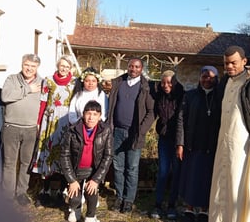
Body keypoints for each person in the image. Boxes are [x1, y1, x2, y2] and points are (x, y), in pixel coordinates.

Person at [209, 45, 250, 222]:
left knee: (237, 187)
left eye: (233, 63)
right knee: (221, 185)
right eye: (226, 63)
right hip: (223, 145)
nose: (229, 67)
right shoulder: (225, 82)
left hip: (244, 148)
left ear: (244, 61)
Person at [108, 57, 155, 213]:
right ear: (127, 67)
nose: (133, 69)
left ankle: (129, 200)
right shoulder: (119, 83)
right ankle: (119, 197)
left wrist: (141, 131)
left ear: (141, 69)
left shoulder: (145, 87)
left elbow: (151, 112)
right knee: (118, 167)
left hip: (134, 134)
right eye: (130, 66)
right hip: (117, 132)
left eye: (137, 67)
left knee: (132, 168)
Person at [31, 55, 77, 207]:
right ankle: (44, 191)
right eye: (62, 65)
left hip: (65, 122)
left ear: (70, 68)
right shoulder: (48, 80)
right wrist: (38, 123)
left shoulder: (74, 82)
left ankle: (59, 192)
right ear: (58, 66)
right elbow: (43, 103)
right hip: (49, 121)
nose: (64, 68)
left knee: (63, 155)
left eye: (67, 66)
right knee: (47, 154)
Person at [177, 66, 221, 222]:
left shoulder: (220, 97)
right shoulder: (190, 96)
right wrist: (180, 144)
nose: (207, 79)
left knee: (207, 178)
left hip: (212, 145)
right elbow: (181, 120)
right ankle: (189, 208)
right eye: (204, 76)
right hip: (192, 144)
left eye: (210, 77)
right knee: (191, 177)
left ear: (216, 78)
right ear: (199, 78)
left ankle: (204, 210)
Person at [61, 100, 113, 222]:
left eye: (95, 114)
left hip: (94, 169)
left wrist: (96, 179)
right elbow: (65, 155)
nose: (91, 117)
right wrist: (72, 180)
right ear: (83, 114)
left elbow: (108, 156)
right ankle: (75, 209)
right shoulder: (72, 130)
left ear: (100, 117)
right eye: (88, 113)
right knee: (75, 198)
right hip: (76, 169)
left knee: (91, 193)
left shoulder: (105, 131)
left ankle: (91, 216)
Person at [1, 53, 43, 206]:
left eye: (33, 66)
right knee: (9, 163)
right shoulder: (12, 79)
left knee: (26, 162)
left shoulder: (43, 82)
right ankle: (7, 194)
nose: (29, 68)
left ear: (37, 67)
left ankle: (21, 192)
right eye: (27, 65)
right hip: (11, 126)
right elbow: (5, 96)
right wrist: (28, 89)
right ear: (22, 64)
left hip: (31, 129)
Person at [149, 70, 184, 220]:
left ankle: (172, 204)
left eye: (169, 82)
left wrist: (180, 143)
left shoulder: (182, 96)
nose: (166, 85)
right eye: (163, 82)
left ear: (175, 82)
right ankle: (158, 203)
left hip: (177, 139)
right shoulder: (159, 95)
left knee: (176, 171)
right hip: (164, 138)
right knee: (163, 171)